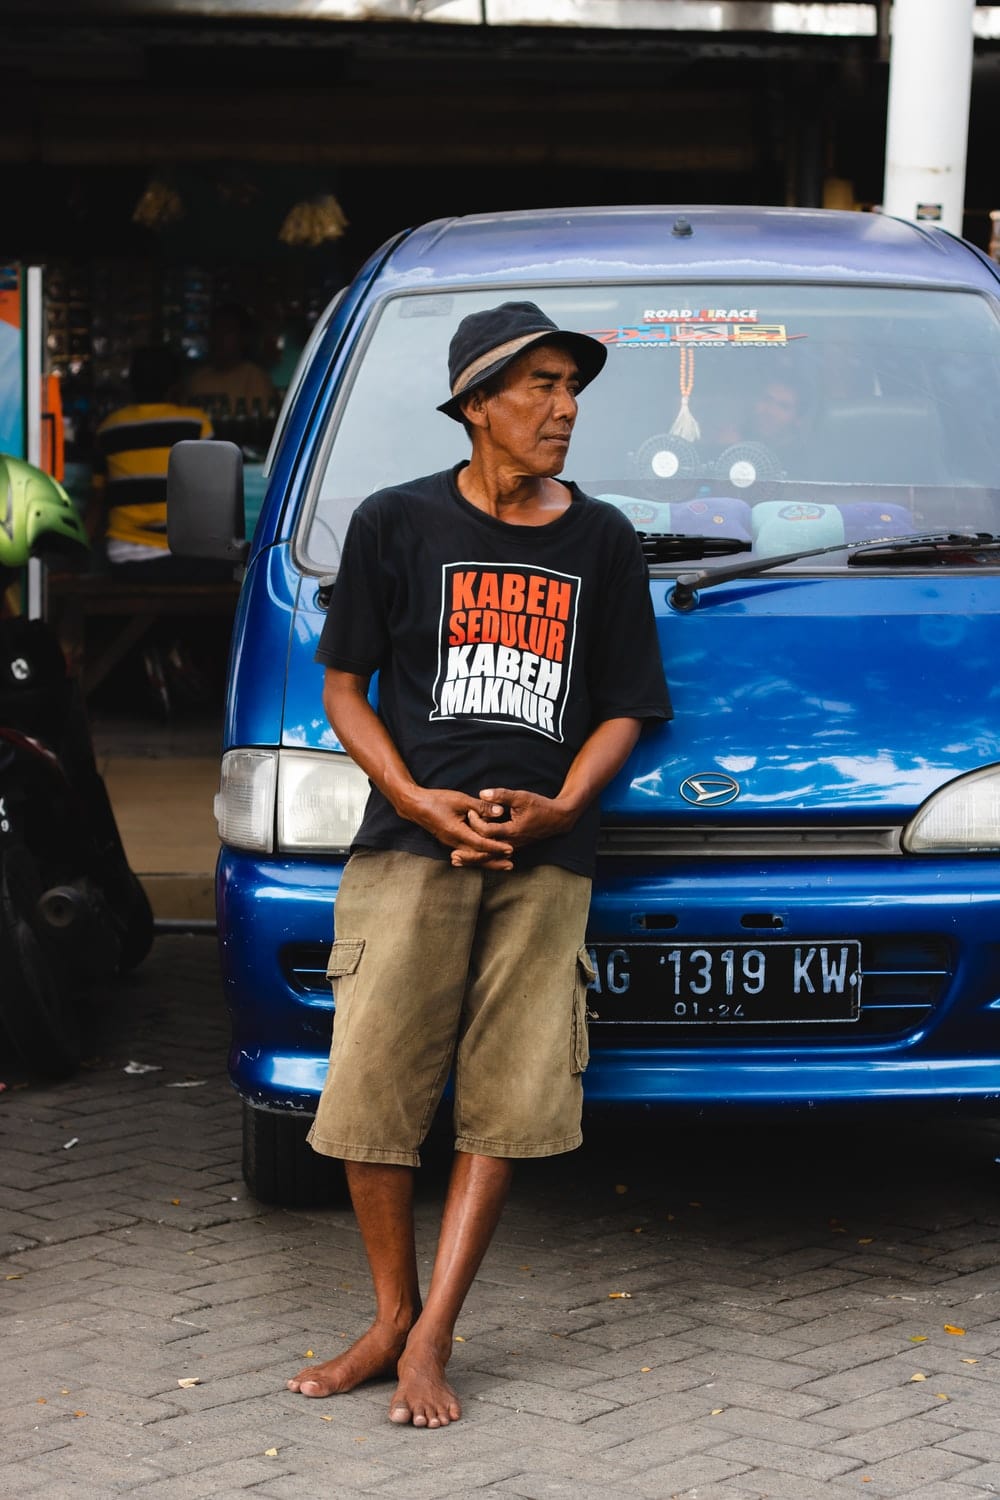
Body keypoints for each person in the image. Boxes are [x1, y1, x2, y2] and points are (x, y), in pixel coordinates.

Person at [287, 300, 671, 1428]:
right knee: (370, 1096)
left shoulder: (598, 538)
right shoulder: (394, 523)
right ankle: (387, 1318)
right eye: (541, 387)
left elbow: (628, 710)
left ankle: (435, 1336)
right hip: (410, 848)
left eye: (571, 390)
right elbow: (344, 686)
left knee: (506, 1104)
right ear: (476, 404)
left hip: (544, 866)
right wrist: (413, 797)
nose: (564, 410)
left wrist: (562, 807)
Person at [182, 302, 273, 414]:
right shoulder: (197, 380)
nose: (219, 337)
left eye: (227, 331)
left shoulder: (255, 378)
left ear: (243, 337)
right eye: (215, 329)